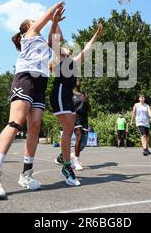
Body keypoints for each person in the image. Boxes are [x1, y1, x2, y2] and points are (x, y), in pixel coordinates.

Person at [0, 1, 65, 199]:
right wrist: (53, 8)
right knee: (16, 122)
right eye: (33, 21)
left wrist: (55, 21)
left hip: (41, 82)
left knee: (35, 126)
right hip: (25, 78)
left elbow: (57, 40)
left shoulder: (43, 42)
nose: (36, 21)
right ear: (26, 27)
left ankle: (26, 174)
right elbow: (41, 22)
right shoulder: (29, 36)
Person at [50, 21, 103, 185]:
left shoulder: (72, 61)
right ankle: (66, 166)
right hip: (59, 95)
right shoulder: (59, 58)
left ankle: (61, 157)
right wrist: (55, 21)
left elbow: (87, 49)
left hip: (68, 98)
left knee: (69, 130)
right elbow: (54, 38)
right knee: (67, 130)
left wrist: (96, 34)